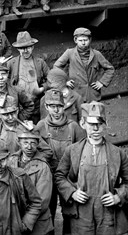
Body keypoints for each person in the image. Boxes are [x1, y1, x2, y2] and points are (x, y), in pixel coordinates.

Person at [55, 101, 128, 235]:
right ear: (83, 124)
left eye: (99, 124)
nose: (95, 129)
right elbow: (59, 176)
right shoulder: (72, 151)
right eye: (91, 124)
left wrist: (118, 197)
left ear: (105, 125)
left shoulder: (117, 153)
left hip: (107, 214)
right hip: (81, 214)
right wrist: (72, 193)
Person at [35, 88, 86, 220]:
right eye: (52, 106)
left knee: (71, 213)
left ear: (64, 107)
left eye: (59, 106)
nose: (56, 110)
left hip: (68, 178)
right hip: (48, 178)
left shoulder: (73, 127)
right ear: (46, 106)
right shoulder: (41, 126)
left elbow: (83, 151)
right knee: (47, 212)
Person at [7, 128, 54, 235]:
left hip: (37, 223)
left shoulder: (43, 166)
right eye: (25, 142)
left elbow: (42, 201)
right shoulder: (11, 161)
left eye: (33, 143)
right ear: (19, 143)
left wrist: (25, 222)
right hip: (14, 219)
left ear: (38, 144)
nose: (29, 147)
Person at [53, 27, 115, 103]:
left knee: (92, 114)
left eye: (85, 40)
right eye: (80, 40)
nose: (83, 43)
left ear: (90, 40)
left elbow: (110, 69)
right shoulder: (69, 53)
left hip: (92, 94)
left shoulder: (96, 54)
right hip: (75, 93)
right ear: (75, 40)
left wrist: (101, 82)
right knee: (76, 114)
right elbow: (56, 66)